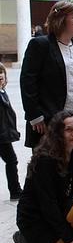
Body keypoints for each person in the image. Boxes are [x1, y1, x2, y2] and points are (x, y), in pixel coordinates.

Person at [14, 111, 73, 243]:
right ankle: (25, 238)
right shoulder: (46, 160)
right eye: (69, 130)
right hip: (35, 219)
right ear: (58, 133)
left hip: (59, 211)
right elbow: (47, 204)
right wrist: (68, 239)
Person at [20, 1, 73, 148]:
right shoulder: (40, 45)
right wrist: (34, 115)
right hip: (48, 120)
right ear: (61, 19)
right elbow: (27, 81)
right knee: (47, 166)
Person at [0, 63, 22, 200]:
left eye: (1, 72)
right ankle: (15, 191)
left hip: (4, 135)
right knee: (11, 160)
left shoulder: (3, 92)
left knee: (11, 160)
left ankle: (15, 190)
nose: (0, 75)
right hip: (1, 136)